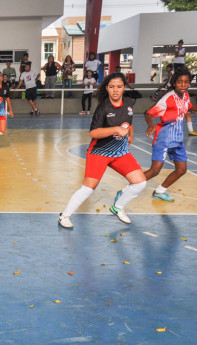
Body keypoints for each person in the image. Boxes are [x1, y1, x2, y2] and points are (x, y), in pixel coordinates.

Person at [58, 72, 146, 228]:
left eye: (119, 87)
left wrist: (130, 135)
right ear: (107, 88)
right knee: (88, 188)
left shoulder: (129, 102)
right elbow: (94, 133)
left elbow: (129, 121)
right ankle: (64, 216)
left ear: (124, 87)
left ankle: (118, 207)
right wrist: (116, 129)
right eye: (112, 87)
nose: (115, 90)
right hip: (99, 152)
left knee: (140, 183)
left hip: (120, 152)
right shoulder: (103, 108)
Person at [141, 67, 193, 202]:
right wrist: (151, 125)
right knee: (154, 171)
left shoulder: (186, 96)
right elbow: (148, 113)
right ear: (174, 83)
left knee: (181, 169)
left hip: (177, 140)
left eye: (186, 82)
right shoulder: (168, 98)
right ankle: (127, 190)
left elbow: (189, 107)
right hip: (163, 139)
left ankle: (160, 191)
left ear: (189, 83)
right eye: (180, 82)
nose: (183, 85)